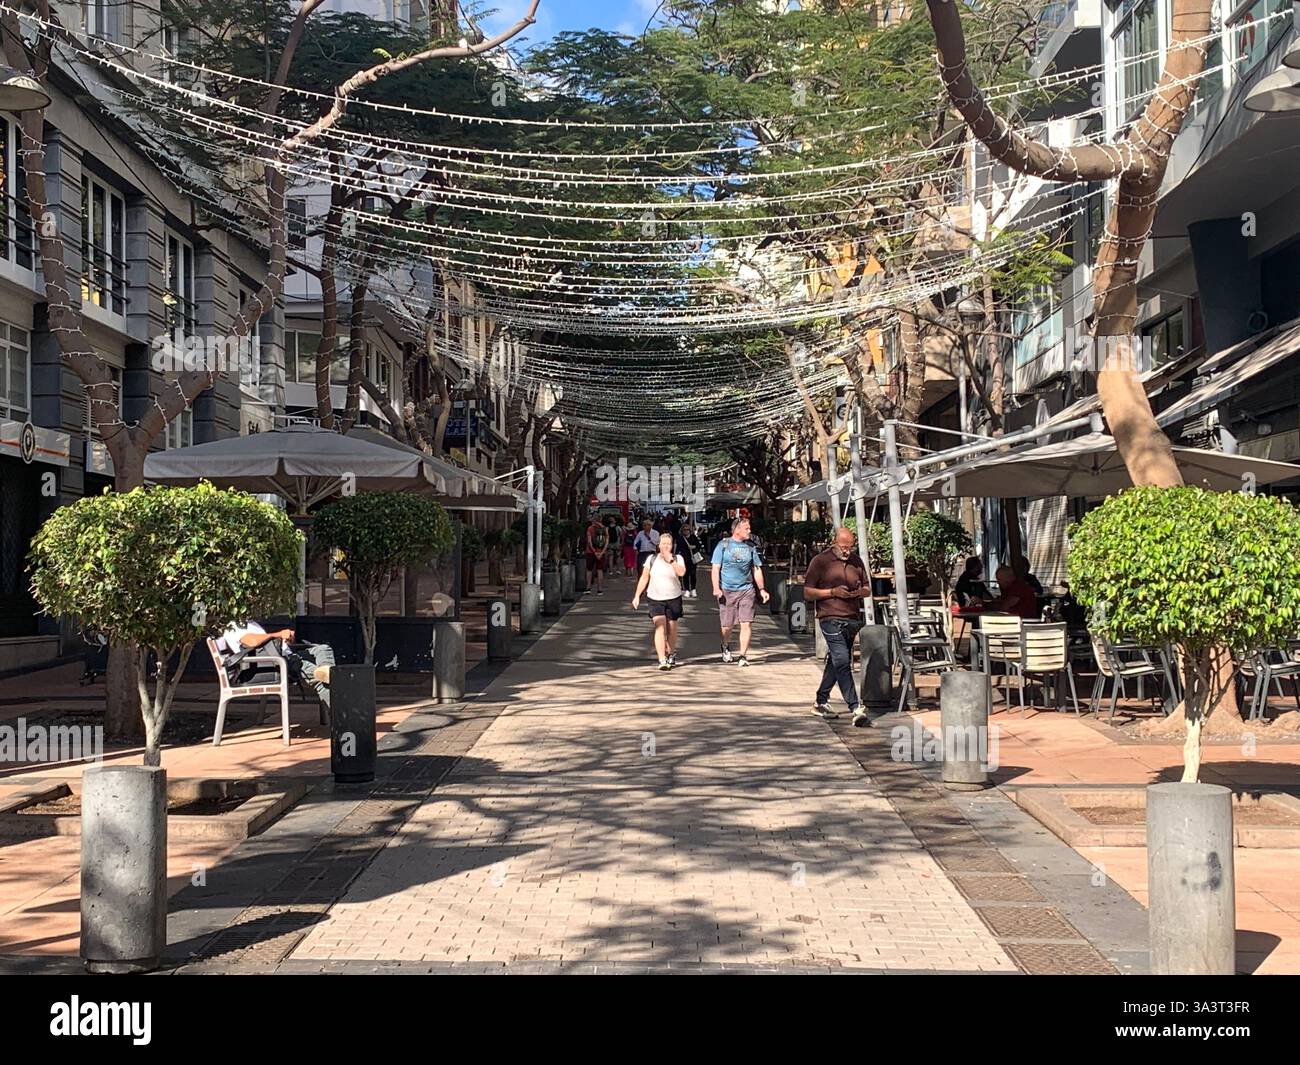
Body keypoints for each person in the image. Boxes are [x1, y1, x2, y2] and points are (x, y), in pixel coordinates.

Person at [802, 525, 871, 724]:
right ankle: (855, 707)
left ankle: (820, 701)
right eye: (843, 547)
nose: (847, 551)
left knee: (836, 662)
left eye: (850, 547)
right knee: (842, 660)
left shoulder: (856, 562)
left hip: (851, 618)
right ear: (834, 542)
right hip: (829, 617)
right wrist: (832, 592)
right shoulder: (820, 561)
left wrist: (858, 593)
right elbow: (807, 592)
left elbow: (867, 588)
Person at [217, 620, 334, 710]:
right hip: (275, 664)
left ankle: (326, 671)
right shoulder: (233, 625)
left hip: (285, 657)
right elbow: (251, 641)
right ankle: (340, 717)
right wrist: (279, 634)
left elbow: (266, 643)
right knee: (322, 681)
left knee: (323, 649)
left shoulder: (251, 623)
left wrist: (285, 640)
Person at [711, 516, 770, 667]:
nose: (749, 531)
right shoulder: (723, 545)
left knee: (746, 623)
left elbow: (756, 568)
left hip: (746, 590)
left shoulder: (750, 547)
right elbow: (715, 568)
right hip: (727, 590)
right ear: (737, 530)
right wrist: (716, 588)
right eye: (747, 528)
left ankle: (743, 655)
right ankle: (725, 645)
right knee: (727, 625)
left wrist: (762, 589)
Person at [632, 531, 686, 670]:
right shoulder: (652, 559)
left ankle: (671, 653)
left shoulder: (678, 558)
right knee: (660, 627)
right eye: (663, 544)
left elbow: (681, 572)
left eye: (668, 544)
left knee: (672, 628)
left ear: (672, 545)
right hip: (655, 598)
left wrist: (671, 561)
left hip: (673, 596)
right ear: (658, 545)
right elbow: (644, 577)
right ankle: (662, 659)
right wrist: (637, 595)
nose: (666, 547)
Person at [584, 515, 610, 594]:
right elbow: (606, 542)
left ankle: (588, 588)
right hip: (601, 552)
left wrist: (594, 552)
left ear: (594, 520)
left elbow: (589, 541)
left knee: (589, 570)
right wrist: (601, 552)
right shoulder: (605, 529)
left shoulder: (590, 528)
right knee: (600, 570)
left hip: (590, 552)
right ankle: (600, 589)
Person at [681, 522, 704, 599]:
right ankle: (687, 589)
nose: (686, 531)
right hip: (684, 558)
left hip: (692, 558)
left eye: (687, 530)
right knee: (685, 575)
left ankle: (693, 589)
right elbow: (677, 548)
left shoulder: (693, 537)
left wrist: (693, 547)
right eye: (684, 530)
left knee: (693, 574)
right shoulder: (680, 539)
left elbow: (699, 546)